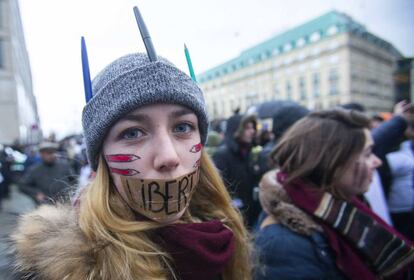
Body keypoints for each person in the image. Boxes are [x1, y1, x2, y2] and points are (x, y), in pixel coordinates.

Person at [12, 7, 250, 280]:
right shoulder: (54, 271)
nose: (168, 156)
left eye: (183, 127)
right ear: (101, 157)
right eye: (132, 133)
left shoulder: (225, 238)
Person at [254, 109, 414, 280]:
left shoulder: (347, 204)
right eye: (367, 154)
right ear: (332, 162)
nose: (377, 161)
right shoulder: (283, 245)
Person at [213, 113, 261, 227]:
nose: (252, 131)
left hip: (251, 215)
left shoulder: (249, 152)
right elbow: (219, 190)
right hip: (233, 218)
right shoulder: (222, 155)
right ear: (236, 130)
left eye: (252, 127)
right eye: (247, 128)